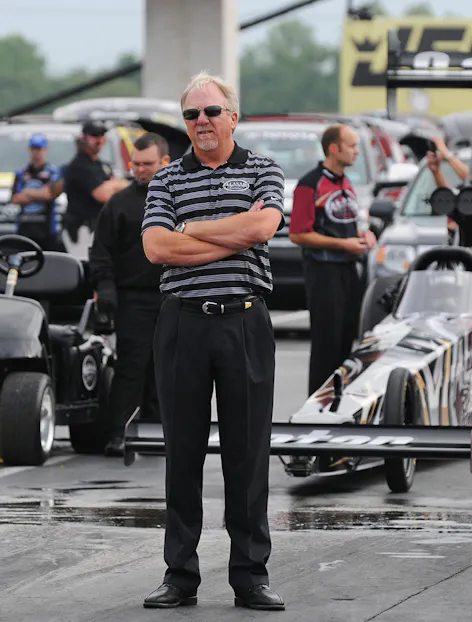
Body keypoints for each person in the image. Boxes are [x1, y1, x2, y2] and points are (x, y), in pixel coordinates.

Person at [140, 72, 286, 611]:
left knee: (247, 454)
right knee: (182, 453)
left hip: (244, 322)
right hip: (182, 325)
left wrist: (192, 228)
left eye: (210, 111)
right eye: (191, 114)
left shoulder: (262, 169)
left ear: (233, 117)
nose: (201, 121)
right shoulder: (166, 178)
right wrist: (230, 232)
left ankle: (250, 575)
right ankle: (180, 575)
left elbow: (261, 229)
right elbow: (157, 248)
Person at [89, 132, 171, 457]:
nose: (139, 170)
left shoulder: (180, 200)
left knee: (169, 367)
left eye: (147, 164)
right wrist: (105, 288)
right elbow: (101, 252)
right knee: (132, 366)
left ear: (165, 162)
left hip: (174, 296)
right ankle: (120, 432)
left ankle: (162, 430)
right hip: (134, 297)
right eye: (135, 164)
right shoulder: (119, 204)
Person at [289, 124, 377, 396]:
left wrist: (364, 235)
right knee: (326, 342)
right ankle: (319, 403)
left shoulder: (346, 182)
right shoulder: (309, 184)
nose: (356, 152)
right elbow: (298, 234)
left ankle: (341, 400)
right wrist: (343, 244)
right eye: (352, 146)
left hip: (350, 269)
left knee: (347, 341)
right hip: (324, 270)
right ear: (334, 148)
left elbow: (349, 223)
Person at [62, 120, 129, 241]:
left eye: (101, 135)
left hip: (100, 226)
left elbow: (120, 190)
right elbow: (103, 195)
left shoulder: (101, 165)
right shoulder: (79, 165)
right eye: (94, 136)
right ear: (84, 138)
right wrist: (115, 185)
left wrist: (113, 185)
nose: (99, 140)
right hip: (81, 230)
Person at [10, 133, 65, 251]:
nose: (36, 152)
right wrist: (38, 194)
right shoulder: (21, 173)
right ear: (29, 149)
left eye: (39, 149)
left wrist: (27, 193)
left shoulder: (53, 172)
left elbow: (49, 194)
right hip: (25, 229)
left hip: (46, 230)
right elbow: (15, 199)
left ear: (45, 150)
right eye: (34, 148)